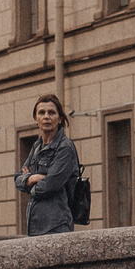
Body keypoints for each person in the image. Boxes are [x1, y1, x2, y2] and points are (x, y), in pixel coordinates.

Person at [14, 94, 82, 236]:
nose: (46, 117)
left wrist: (29, 184)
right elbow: (17, 179)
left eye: (51, 112)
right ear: (35, 119)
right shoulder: (36, 146)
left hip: (56, 226)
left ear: (60, 118)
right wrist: (32, 179)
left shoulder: (65, 148)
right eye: (41, 113)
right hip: (35, 226)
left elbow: (50, 185)